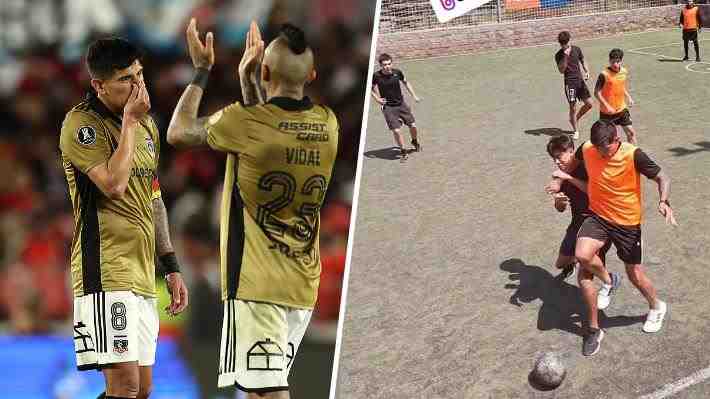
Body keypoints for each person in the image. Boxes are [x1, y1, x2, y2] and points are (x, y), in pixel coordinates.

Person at [166, 20, 339, 398]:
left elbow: (178, 132)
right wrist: (251, 83)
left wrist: (202, 69)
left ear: (264, 70)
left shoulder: (243, 123)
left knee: (266, 394)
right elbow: (269, 127)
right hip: (301, 282)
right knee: (254, 390)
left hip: (257, 285)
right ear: (311, 74)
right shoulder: (328, 124)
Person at [59, 38, 189, 399]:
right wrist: (129, 123)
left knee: (143, 389)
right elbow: (114, 185)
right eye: (126, 80)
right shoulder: (81, 125)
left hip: (142, 273)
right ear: (99, 85)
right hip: (105, 270)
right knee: (125, 386)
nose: (138, 87)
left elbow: (154, 197)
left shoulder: (147, 128)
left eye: (140, 75)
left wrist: (171, 265)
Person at [557, 120, 675, 357]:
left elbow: (663, 177)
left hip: (627, 223)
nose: (602, 154)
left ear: (616, 141)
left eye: (607, 149)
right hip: (599, 217)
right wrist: (557, 181)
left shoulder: (634, 155)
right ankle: (595, 323)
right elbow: (571, 167)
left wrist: (663, 201)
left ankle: (656, 306)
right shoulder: (588, 148)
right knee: (582, 257)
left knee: (636, 276)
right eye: (599, 149)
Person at [545, 134, 610, 281]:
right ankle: (572, 263)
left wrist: (569, 178)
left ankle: (609, 282)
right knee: (560, 264)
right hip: (577, 222)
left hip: (598, 222)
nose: (557, 162)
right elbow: (560, 209)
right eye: (553, 158)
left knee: (585, 270)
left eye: (559, 157)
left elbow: (593, 191)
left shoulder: (587, 167)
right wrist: (559, 202)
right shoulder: (559, 176)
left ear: (571, 151)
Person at [371, 53, 422, 162]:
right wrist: (378, 99)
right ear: (380, 65)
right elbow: (370, 87)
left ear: (392, 63)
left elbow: (406, 82)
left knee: (413, 126)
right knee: (396, 131)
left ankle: (414, 141)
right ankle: (403, 151)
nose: (387, 66)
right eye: (384, 64)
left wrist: (414, 96)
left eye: (389, 64)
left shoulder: (397, 72)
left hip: (401, 105)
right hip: (388, 107)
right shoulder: (376, 76)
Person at [554, 31, 593, 140]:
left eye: (566, 43)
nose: (565, 45)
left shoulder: (576, 49)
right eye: (563, 44)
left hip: (580, 81)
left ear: (569, 41)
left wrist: (587, 71)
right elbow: (561, 70)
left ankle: (575, 118)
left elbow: (582, 59)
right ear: (560, 44)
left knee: (590, 104)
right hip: (569, 83)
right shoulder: (559, 55)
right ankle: (576, 130)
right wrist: (565, 56)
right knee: (573, 107)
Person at [594, 48, 638, 145]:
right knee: (607, 139)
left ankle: (632, 156)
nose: (615, 64)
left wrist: (628, 97)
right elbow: (596, 93)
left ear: (621, 61)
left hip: (621, 109)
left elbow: (621, 86)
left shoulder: (624, 72)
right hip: (607, 113)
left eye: (617, 62)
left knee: (631, 133)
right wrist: (607, 106)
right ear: (609, 61)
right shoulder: (604, 75)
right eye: (613, 62)